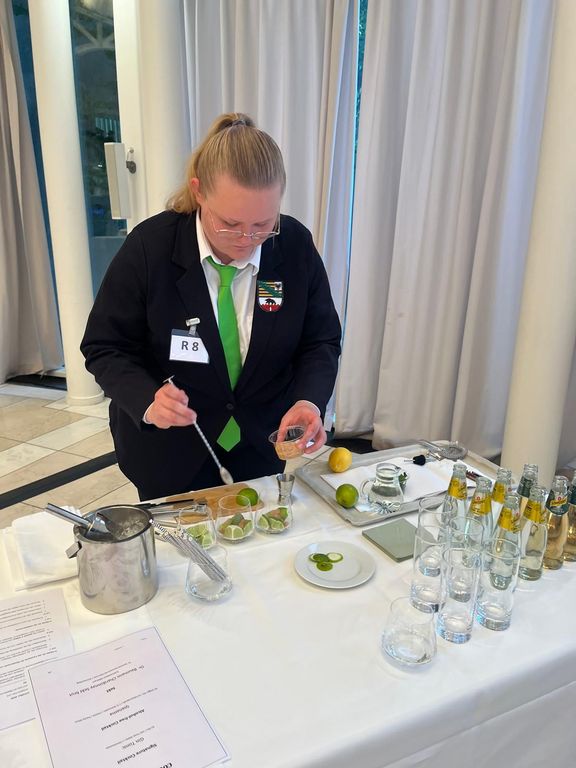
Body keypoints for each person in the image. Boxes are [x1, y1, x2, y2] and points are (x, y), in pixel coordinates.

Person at [81, 113, 341, 500]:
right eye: (230, 224)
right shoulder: (150, 248)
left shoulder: (293, 246)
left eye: (263, 224)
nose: (247, 239)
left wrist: (308, 400)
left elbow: (320, 340)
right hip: (169, 453)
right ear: (199, 192)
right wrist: (148, 400)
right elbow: (105, 345)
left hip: (258, 444)